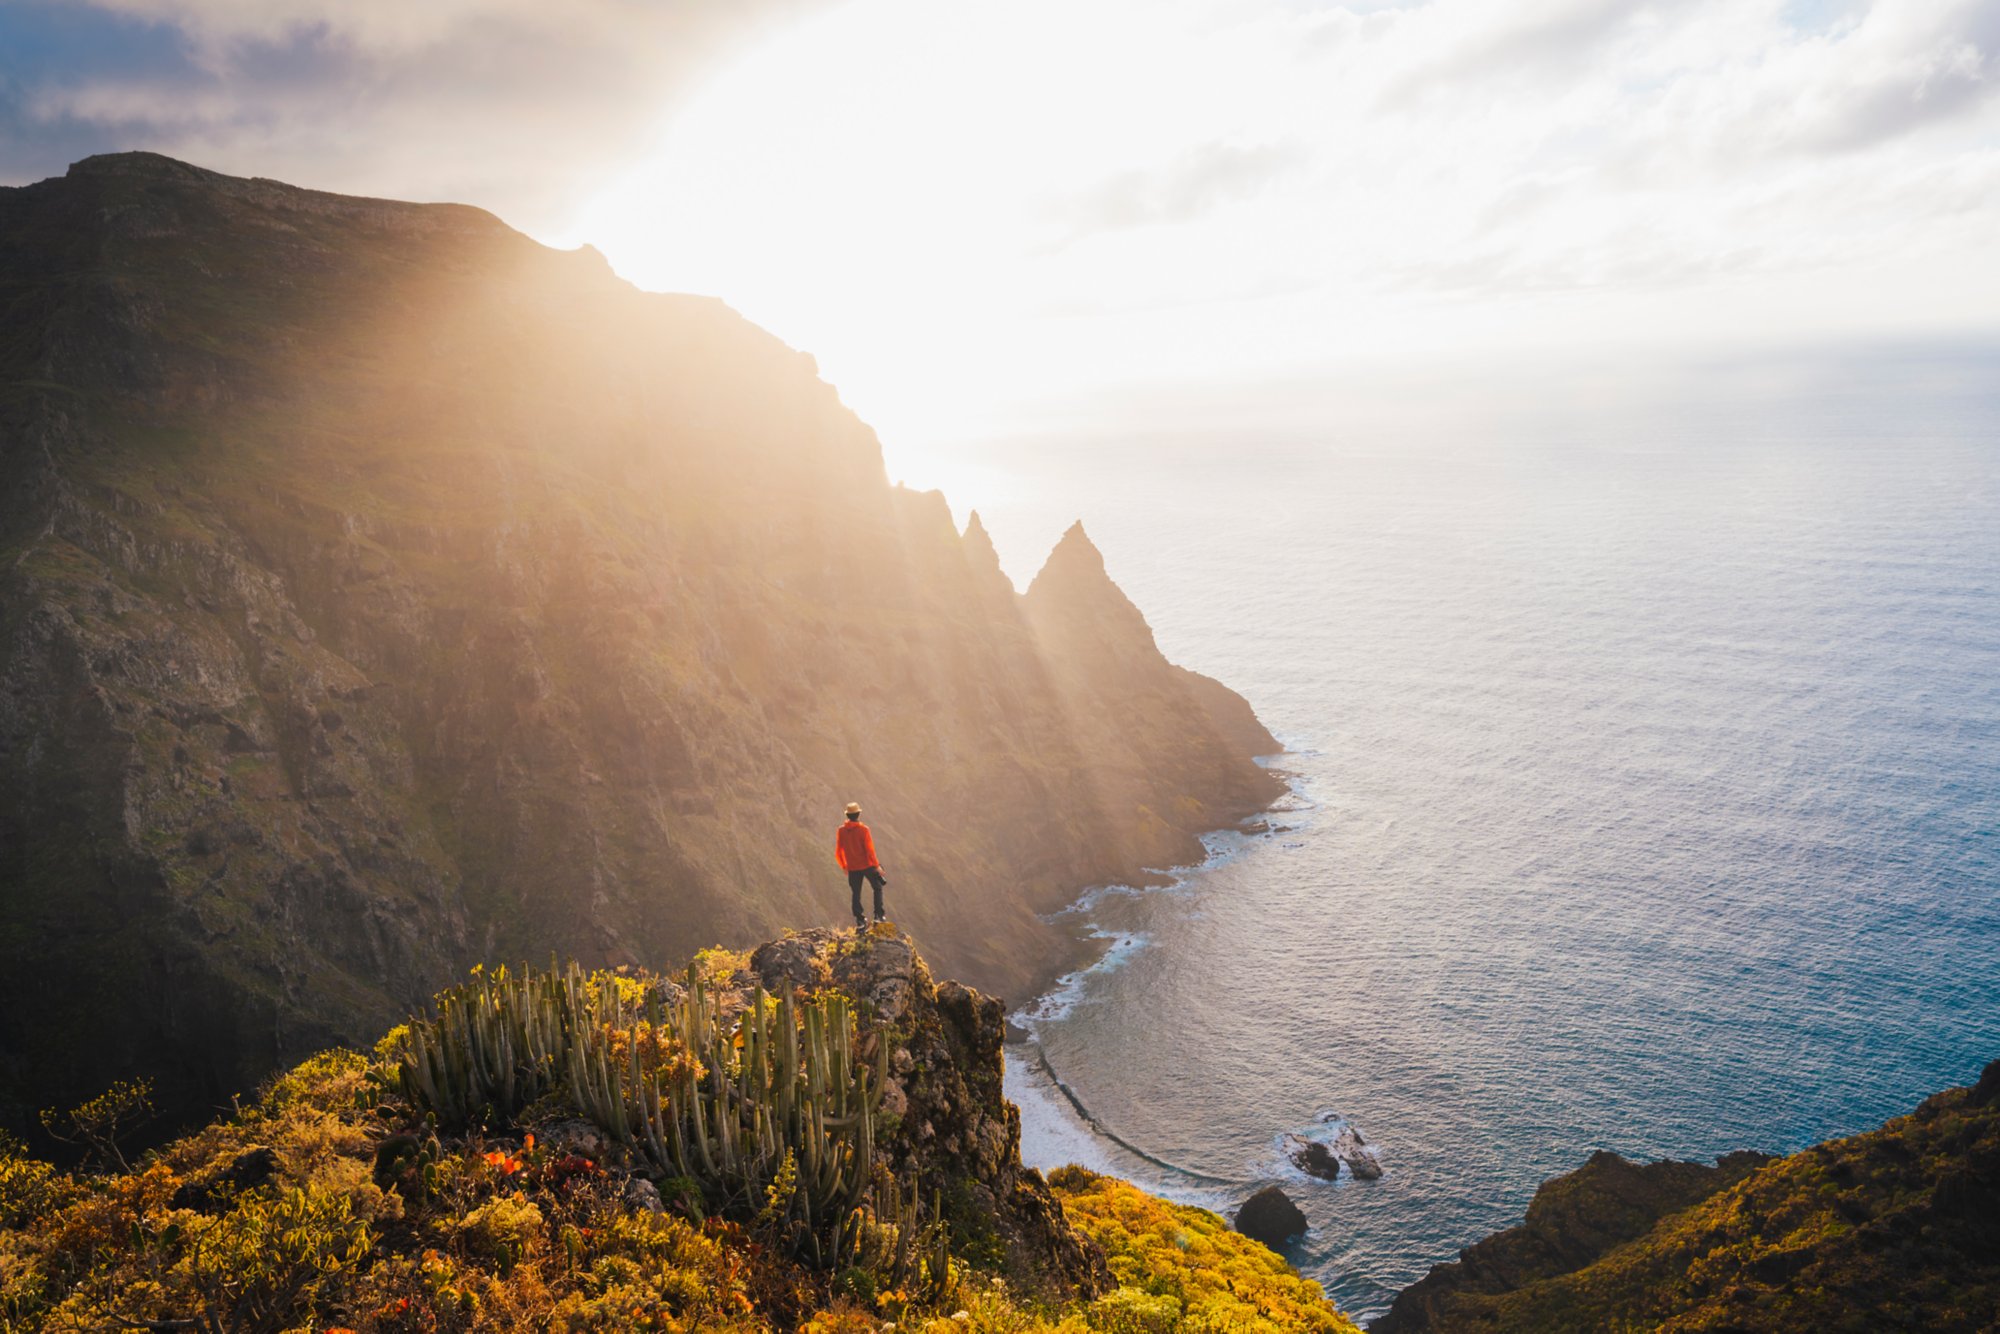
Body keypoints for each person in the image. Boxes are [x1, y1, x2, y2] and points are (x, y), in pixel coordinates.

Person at [835, 802, 887, 928]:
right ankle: (878, 916)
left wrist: (844, 866)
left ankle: (860, 920)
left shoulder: (841, 831)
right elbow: (870, 851)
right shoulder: (864, 830)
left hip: (852, 867)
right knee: (877, 887)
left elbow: (838, 851)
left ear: (847, 815)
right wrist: (877, 866)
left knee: (856, 893)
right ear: (858, 814)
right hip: (867, 866)